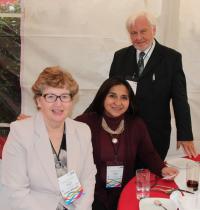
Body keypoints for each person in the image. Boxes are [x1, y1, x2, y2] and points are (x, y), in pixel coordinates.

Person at [1, 66, 96, 210]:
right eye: (50, 96)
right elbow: (15, 191)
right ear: (39, 101)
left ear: (71, 101)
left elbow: (88, 178)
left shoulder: (82, 131)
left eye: (64, 96)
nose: (58, 103)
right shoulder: (21, 132)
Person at [75, 77, 178, 210]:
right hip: (91, 195)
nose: (118, 102)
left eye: (124, 97)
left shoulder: (136, 124)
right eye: (112, 96)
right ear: (102, 97)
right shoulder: (84, 123)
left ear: (130, 101)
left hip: (124, 192)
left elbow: (148, 153)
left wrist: (162, 168)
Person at [109, 11, 197, 160]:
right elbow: (109, 94)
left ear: (154, 29)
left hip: (155, 135)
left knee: (151, 178)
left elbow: (180, 99)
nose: (138, 37)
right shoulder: (120, 57)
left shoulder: (171, 58)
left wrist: (185, 134)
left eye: (143, 31)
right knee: (123, 178)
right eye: (133, 33)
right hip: (123, 132)